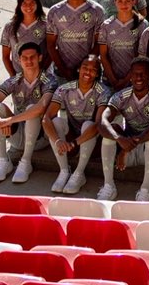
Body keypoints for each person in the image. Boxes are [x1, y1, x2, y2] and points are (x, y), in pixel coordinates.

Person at [99, 58, 149, 203]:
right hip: (128, 151)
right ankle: (108, 186)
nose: (139, 78)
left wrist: (128, 147)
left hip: (147, 152)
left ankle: (146, 189)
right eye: (135, 74)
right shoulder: (121, 95)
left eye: (143, 74)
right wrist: (119, 139)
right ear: (130, 75)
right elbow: (102, 121)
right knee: (110, 134)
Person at [0, 42, 51, 184]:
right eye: (24, 58)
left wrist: (9, 121)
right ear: (19, 60)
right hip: (18, 135)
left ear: (39, 58)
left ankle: (26, 162)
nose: (28, 61)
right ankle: (3, 161)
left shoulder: (48, 80)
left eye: (32, 57)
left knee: (32, 109)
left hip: (40, 138)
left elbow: (41, 108)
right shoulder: (15, 80)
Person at [44, 55, 108, 194]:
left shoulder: (103, 91)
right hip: (72, 136)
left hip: (92, 140)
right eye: (85, 68)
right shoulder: (64, 89)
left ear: (97, 74)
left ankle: (79, 174)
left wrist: (73, 143)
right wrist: (58, 141)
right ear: (79, 69)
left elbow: (98, 125)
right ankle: (64, 171)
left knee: (88, 124)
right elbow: (46, 118)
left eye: (93, 70)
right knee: (55, 121)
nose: (88, 72)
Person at [45, 0, 106, 84]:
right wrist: (64, 70)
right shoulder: (55, 11)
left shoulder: (96, 11)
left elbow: (99, 43)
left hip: (87, 73)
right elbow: (50, 45)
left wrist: (84, 67)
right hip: (61, 72)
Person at [97, 0, 147, 90]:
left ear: (134, 1)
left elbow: (141, 56)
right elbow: (103, 55)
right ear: (115, 2)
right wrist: (113, 80)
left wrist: (126, 80)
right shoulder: (106, 25)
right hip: (110, 82)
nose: (124, 4)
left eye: (127, 1)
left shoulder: (142, 25)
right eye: (120, 1)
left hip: (133, 82)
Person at [0, 0, 49, 78]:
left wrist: (41, 74)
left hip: (43, 78)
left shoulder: (46, 26)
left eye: (32, 3)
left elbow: (51, 52)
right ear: (19, 6)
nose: (28, 7)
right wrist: (14, 77)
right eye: (24, 3)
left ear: (38, 4)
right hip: (19, 77)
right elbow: (5, 56)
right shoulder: (9, 27)